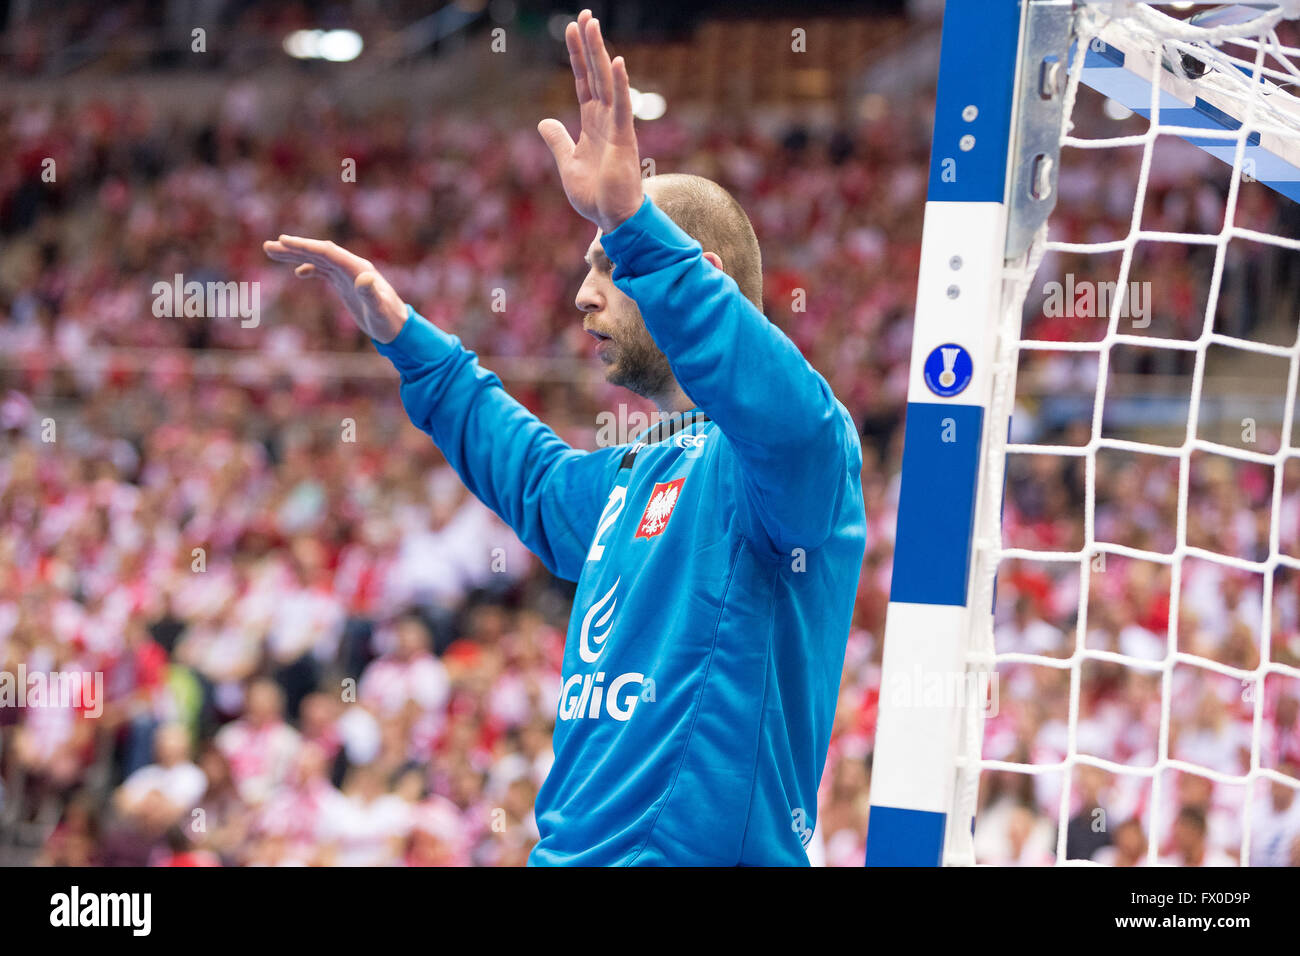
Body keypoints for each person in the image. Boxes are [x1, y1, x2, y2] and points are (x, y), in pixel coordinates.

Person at [264, 10, 865, 865]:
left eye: (607, 268)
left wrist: (638, 233)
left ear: (703, 277)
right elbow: (536, 478)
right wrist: (411, 343)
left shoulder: (793, 461)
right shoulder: (632, 476)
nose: (584, 295)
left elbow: (788, 417)